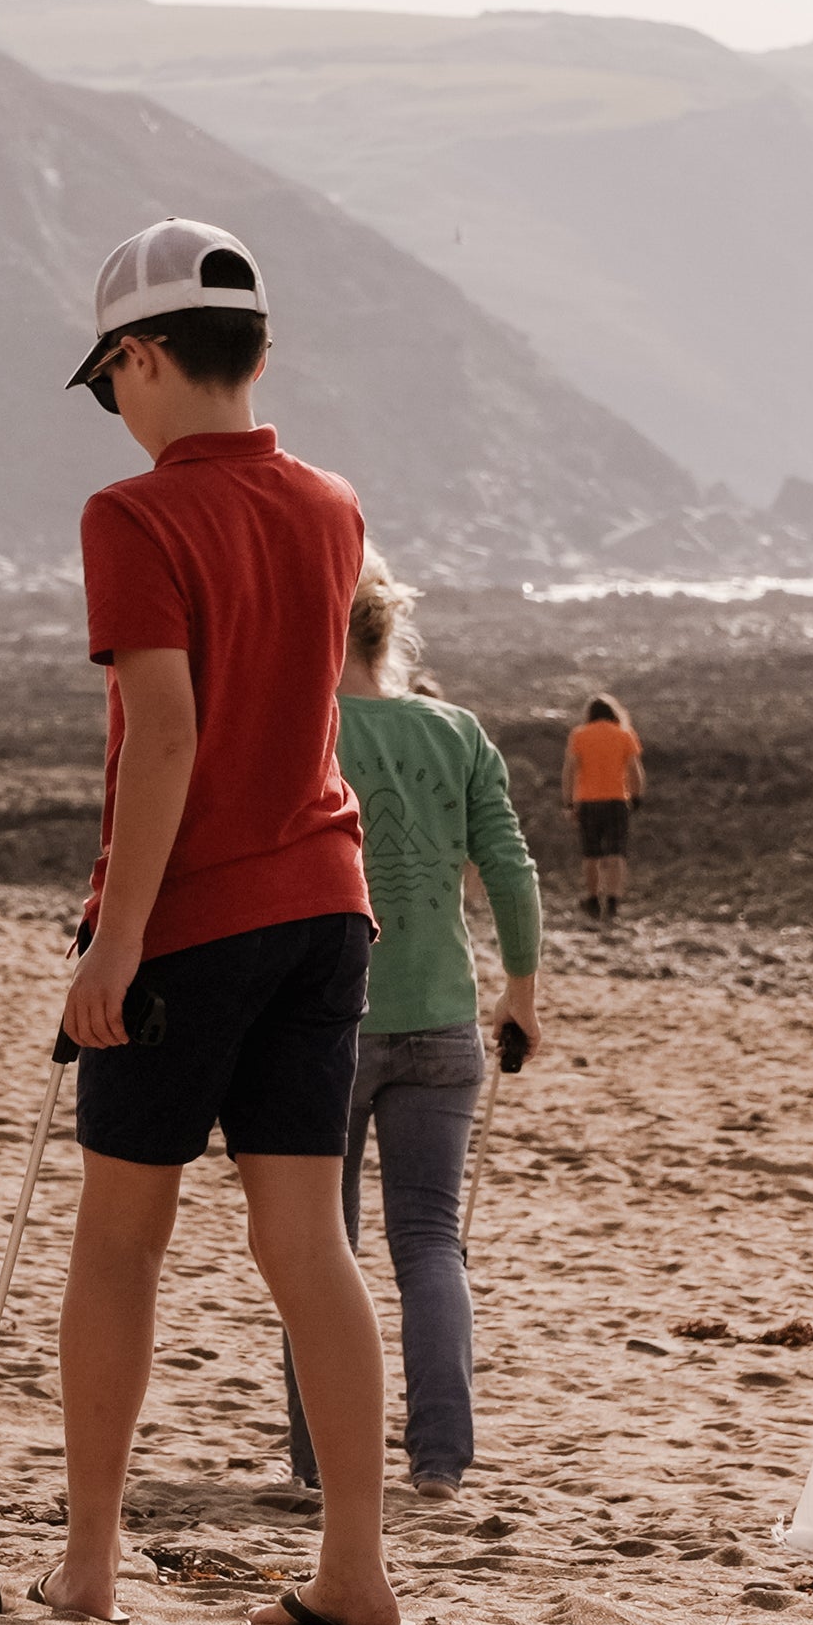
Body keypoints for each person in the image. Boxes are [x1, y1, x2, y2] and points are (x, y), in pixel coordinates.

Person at [38, 218, 398, 1625]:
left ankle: (90, 1563)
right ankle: (355, 1569)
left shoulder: (129, 515)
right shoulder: (333, 505)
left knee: (120, 1239)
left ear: (140, 355)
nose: (114, 406)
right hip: (329, 905)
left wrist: (115, 944)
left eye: (109, 378)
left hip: (195, 919)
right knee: (309, 1246)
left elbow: (169, 738)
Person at [279, 547, 542, 1504]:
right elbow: (510, 869)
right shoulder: (457, 730)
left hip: (321, 1023)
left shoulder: (303, 731)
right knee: (431, 1243)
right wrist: (521, 991)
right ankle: (439, 1461)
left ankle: (318, 1463)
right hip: (442, 1019)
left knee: (317, 1242)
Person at [561, 695, 645, 920]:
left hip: (587, 801)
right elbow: (634, 770)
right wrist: (636, 797)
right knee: (616, 852)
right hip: (617, 800)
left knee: (591, 853)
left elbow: (569, 770)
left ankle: (592, 899)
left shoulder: (579, 735)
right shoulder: (624, 734)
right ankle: (613, 900)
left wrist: (568, 802)